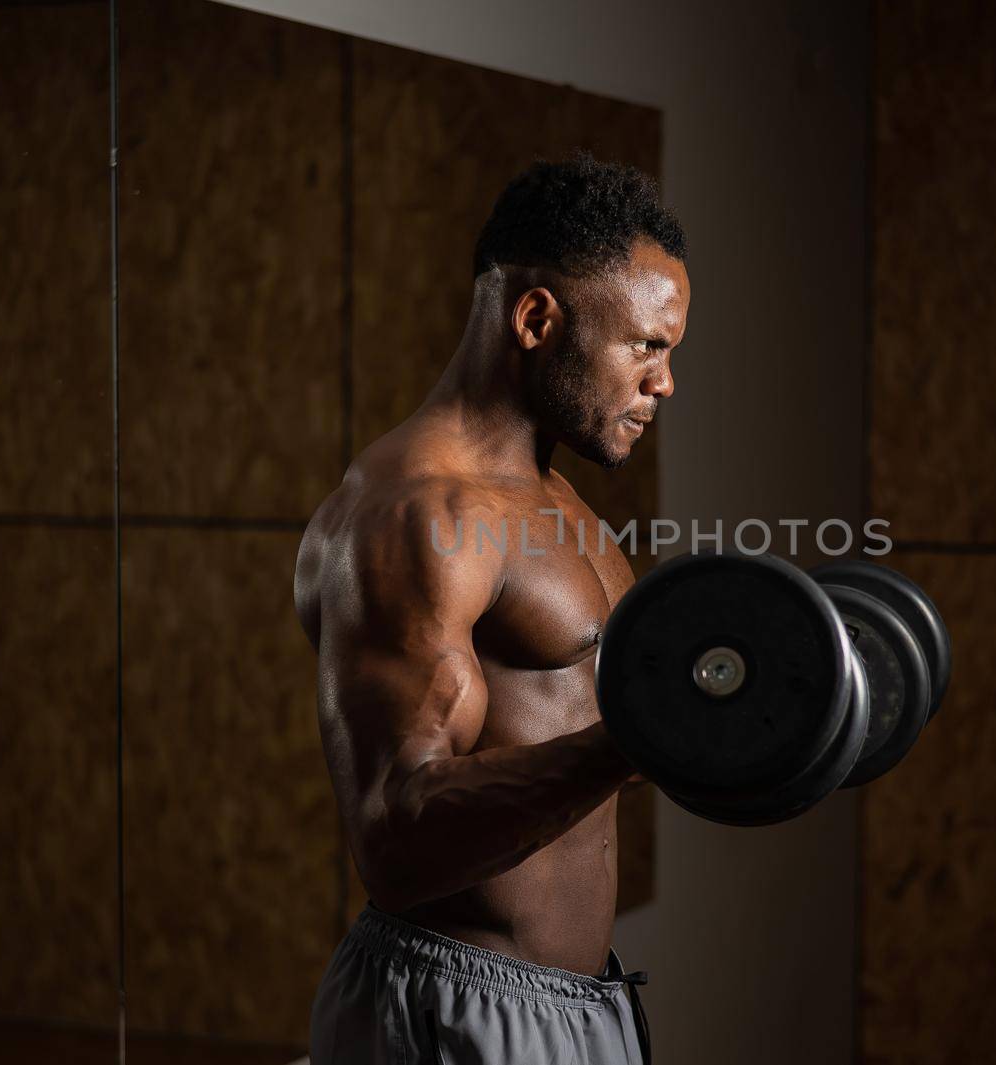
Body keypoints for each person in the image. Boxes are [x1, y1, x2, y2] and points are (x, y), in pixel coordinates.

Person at [295, 151, 689, 1064]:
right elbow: (396, 831)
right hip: (451, 1009)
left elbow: (598, 733)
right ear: (537, 317)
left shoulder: (557, 501)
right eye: (648, 346)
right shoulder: (420, 514)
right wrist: (636, 740)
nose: (664, 383)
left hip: (581, 1007)